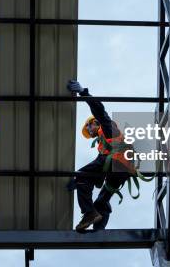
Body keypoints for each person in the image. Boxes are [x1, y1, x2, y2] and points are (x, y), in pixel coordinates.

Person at [67, 80, 135, 232]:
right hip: (122, 170)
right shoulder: (104, 143)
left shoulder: (107, 127)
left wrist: (83, 92)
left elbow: (99, 110)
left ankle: (89, 213)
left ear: (94, 123)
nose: (89, 131)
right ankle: (99, 229)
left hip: (116, 161)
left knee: (82, 175)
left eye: (89, 127)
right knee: (103, 198)